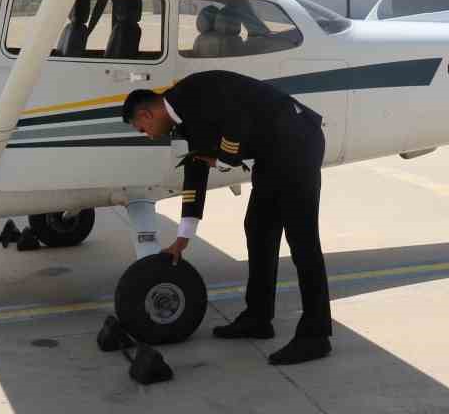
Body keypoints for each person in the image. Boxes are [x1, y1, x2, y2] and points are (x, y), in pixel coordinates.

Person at [122, 71, 332, 365]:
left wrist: (222, 159)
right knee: (258, 229)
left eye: (142, 128)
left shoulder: (191, 92)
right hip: (272, 153)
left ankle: (316, 334)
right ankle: (258, 318)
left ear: (146, 113)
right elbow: (195, 176)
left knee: (302, 239)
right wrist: (182, 239)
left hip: (297, 141)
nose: (148, 135)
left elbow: (238, 121)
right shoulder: (183, 122)